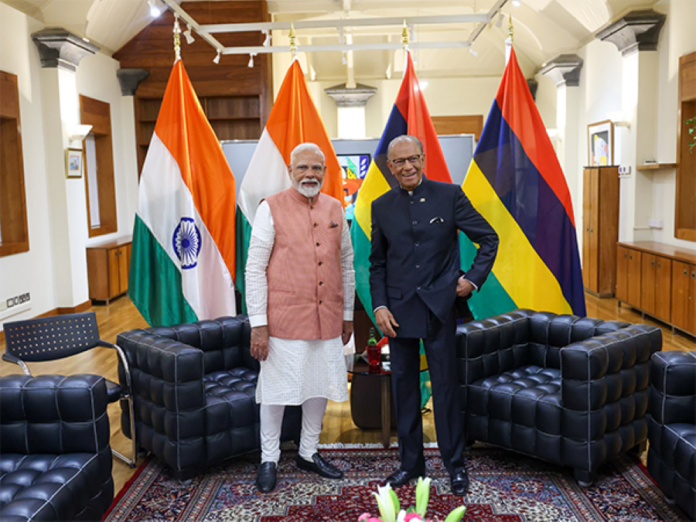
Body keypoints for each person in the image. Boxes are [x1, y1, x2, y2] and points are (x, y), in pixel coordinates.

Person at [369, 135, 498, 496]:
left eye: (413, 159)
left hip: (441, 308)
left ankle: (455, 466)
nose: (407, 167)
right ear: (390, 167)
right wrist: (379, 305)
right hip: (397, 311)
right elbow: (377, 263)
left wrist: (471, 280)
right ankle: (410, 465)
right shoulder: (381, 206)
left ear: (423, 159)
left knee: (444, 390)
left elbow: (489, 238)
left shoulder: (450, 195)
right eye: (399, 162)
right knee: (404, 389)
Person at [246, 142, 355, 494]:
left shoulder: (336, 207)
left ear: (325, 171)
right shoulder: (271, 208)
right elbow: (253, 269)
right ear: (291, 171)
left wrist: (348, 315)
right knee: (276, 393)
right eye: (302, 168)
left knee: (318, 386)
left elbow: (346, 265)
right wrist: (258, 325)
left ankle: (308, 452)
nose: (310, 174)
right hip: (283, 322)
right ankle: (269, 458)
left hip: (328, 318)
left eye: (317, 168)